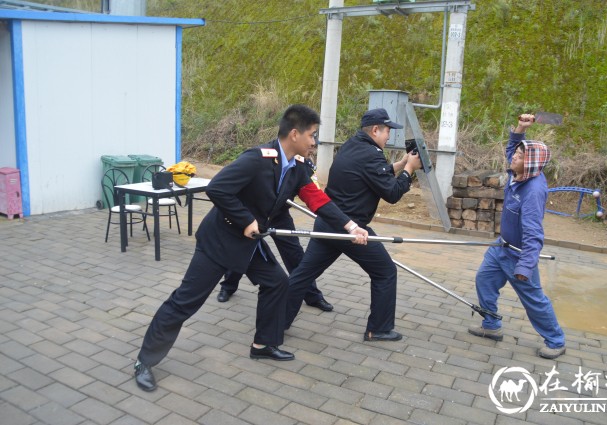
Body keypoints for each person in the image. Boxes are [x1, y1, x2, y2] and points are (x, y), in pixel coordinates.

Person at [133, 104, 368, 392]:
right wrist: (246, 220)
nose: (314, 143)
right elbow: (217, 189)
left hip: (249, 243)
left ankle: (263, 344)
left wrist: (351, 226)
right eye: (312, 135)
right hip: (220, 241)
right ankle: (144, 361)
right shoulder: (256, 159)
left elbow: (317, 200)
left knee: (277, 282)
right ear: (294, 134)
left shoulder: (296, 168)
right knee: (186, 300)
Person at [286, 108, 422, 342]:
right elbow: (391, 192)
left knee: (302, 276)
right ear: (376, 130)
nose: (389, 136)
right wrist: (410, 170)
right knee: (385, 272)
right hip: (350, 228)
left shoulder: (353, 145)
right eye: (387, 130)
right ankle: (378, 329)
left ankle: (275, 320)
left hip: (329, 222)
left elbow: (373, 174)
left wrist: (399, 164)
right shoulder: (372, 154)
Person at [468, 113, 565, 359]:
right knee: (485, 281)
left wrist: (525, 264)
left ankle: (555, 340)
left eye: (520, 156)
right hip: (500, 247)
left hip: (518, 255)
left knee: (533, 299)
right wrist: (521, 128)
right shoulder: (519, 172)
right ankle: (491, 326)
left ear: (530, 162)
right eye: (516, 154)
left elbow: (534, 234)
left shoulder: (533, 192)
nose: (513, 157)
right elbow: (512, 148)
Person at [216, 158, 333, 312]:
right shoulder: (265, 158)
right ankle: (228, 286)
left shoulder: (304, 164)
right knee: (245, 251)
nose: (312, 144)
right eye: (310, 137)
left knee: (295, 254)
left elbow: (314, 191)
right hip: (256, 214)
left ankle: (312, 295)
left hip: (280, 215)